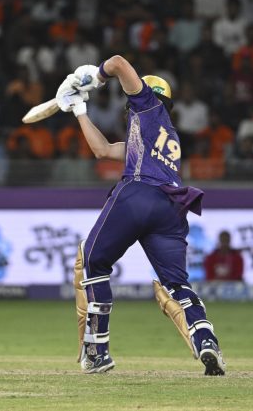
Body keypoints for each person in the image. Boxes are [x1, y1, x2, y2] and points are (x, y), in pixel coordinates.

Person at [56, 56, 225, 376]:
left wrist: (95, 77)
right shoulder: (163, 137)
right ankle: (207, 341)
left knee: (92, 261)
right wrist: (79, 110)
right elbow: (103, 150)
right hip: (171, 210)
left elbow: (119, 62)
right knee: (177, 283)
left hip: (139, 195)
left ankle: (96, 351)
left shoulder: (147, 107)